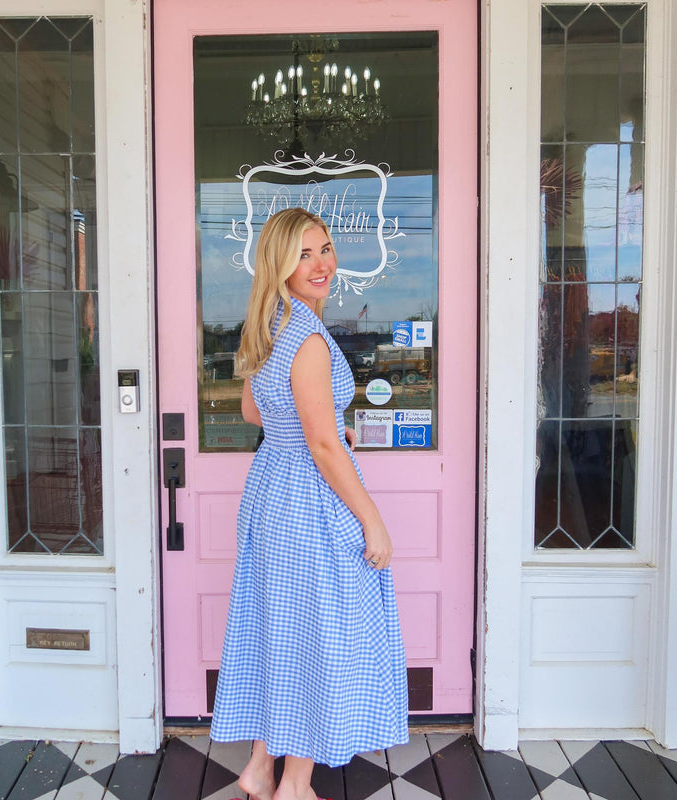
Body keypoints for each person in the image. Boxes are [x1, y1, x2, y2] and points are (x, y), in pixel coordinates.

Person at [210, 208, 408, 800]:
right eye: (304, 254)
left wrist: (316, 430)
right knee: (318, 638)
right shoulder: (311, 339)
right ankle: (294, 785)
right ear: (280, 263)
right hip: (307, 504)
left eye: (325, 248)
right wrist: (372, 518)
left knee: (283, 631)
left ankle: (259, 768)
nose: (321, 263)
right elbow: (321, 444)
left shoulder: (271, 324)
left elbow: (255, 414)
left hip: (270, 490)